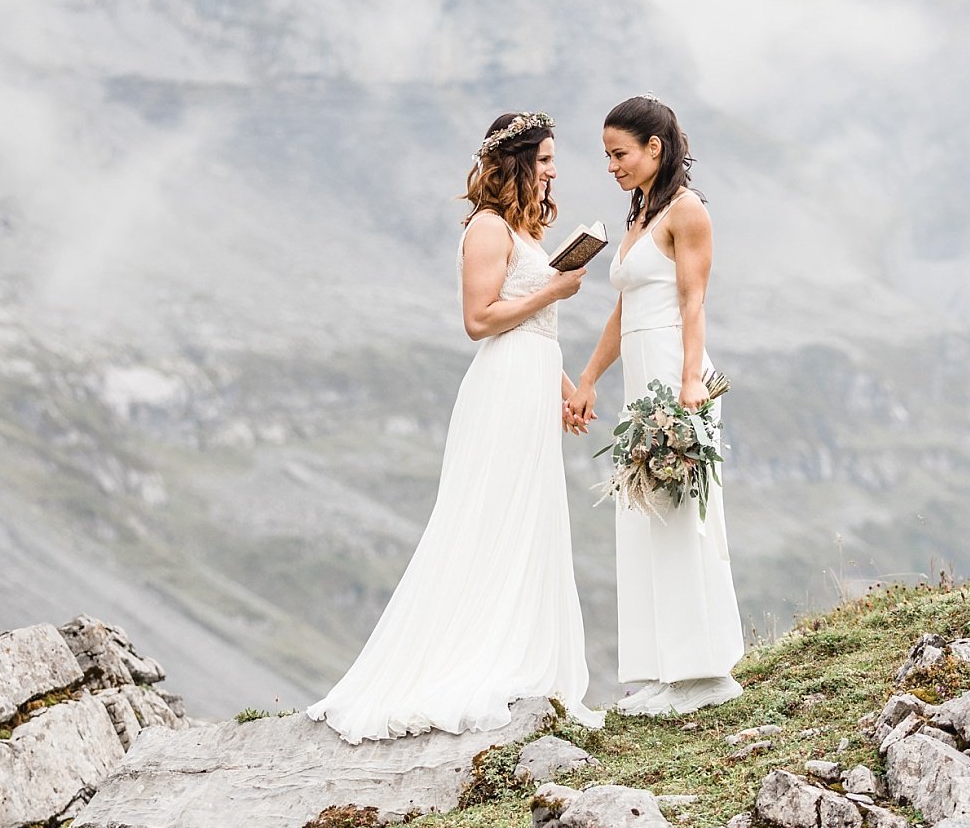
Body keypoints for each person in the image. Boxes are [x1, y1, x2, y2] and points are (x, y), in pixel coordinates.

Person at [307, 111, 603, 742]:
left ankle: (521, 657)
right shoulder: (488, 228)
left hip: (532, 378)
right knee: (488, 513)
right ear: (520, 163)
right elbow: (480, 319)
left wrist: (567, 387)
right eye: (546, 160)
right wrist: (554, 290)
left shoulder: (521, 229)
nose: (554, 172)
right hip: (501, 388)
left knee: (529, 515)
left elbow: (530, 330)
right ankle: (470, 657)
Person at [567, 95, 744, 716]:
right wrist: (588, 378)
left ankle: (705, 674)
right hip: (639, 382)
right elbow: (627, 308)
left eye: (619, 154)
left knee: (679, 516)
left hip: (675, 374)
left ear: (654, 149)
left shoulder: (687, 212)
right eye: (607, 156)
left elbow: (693, 301)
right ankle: (665, 672)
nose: (611, 166)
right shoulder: (642, 211)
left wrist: (691, 382)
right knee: (643, 517)